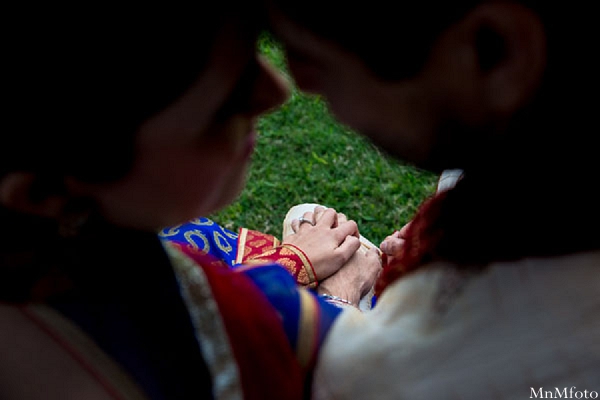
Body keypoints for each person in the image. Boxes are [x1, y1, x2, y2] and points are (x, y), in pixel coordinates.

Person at [0, 4, 381, 399]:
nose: (276, 94)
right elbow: (383, 369)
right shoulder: (204, 326)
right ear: (44, 191)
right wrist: (336, 294)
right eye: (221, 106)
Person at [266, 1, 600, 398]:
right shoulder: (533, 159)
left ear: (495, 53)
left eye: (312, 57)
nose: (288, 85)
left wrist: (341, 297)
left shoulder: (440, 370)